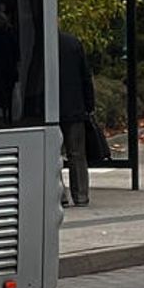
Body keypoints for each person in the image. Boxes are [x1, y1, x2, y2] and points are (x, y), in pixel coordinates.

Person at [57, 29, 94, 206]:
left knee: (52, 155)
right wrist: (89, 105)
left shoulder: (39, 43)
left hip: (49, 109)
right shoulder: (73, 42)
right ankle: (80, 196)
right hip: (74, 106)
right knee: (77, 153)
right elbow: (85, 75)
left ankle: (60, 196)